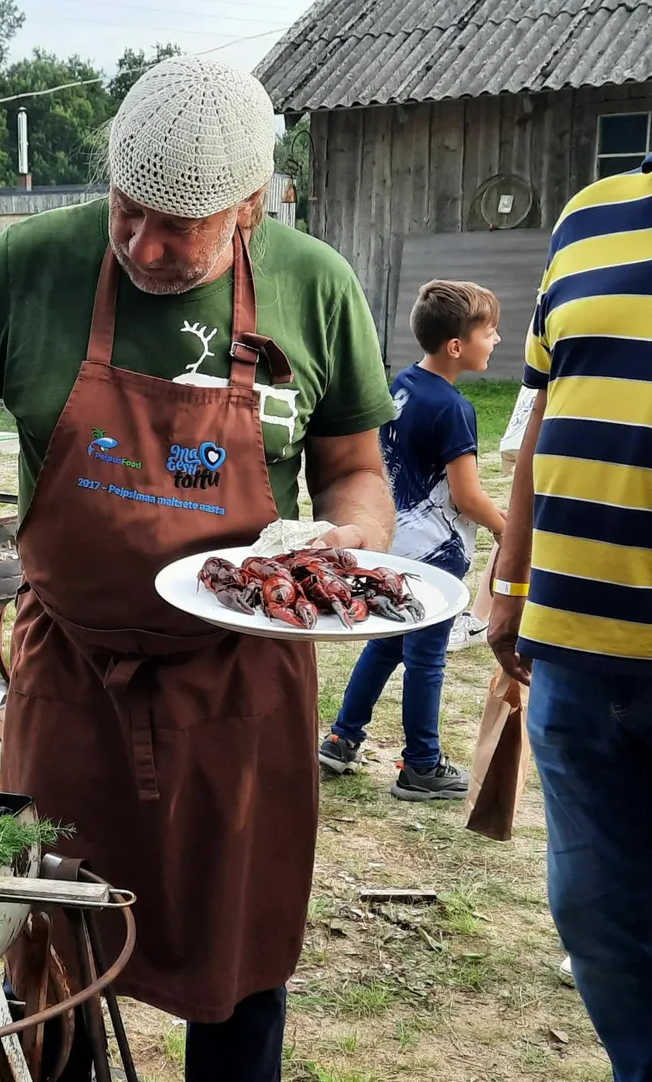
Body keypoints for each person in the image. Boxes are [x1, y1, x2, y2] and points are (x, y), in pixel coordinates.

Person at [0, 56, 396, 1081]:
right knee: (46, 950)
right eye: (124, 210)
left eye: (176, 227)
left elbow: (356, 472)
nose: (141, 246)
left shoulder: (312, 285)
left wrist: (351, 536)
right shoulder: (34, 265)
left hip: (240, 690)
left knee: (235, 963)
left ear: (248, 204)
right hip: (73, 682)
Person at [490, 151, 652, 1081]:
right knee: (594, 910)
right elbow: (546, 409)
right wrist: (511, 583)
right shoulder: (590, 213)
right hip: (576, 658)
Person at [320, 280, 507, 800]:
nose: (495, 341)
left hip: (396, 545)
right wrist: (503, 526)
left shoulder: (401, 384)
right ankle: (421, 764)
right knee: (428, 658)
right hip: (435, 557)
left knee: (385, 647)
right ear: (456, 346)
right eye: (488, 332)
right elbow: (468, 497)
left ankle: (340, 739)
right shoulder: (452, 408)